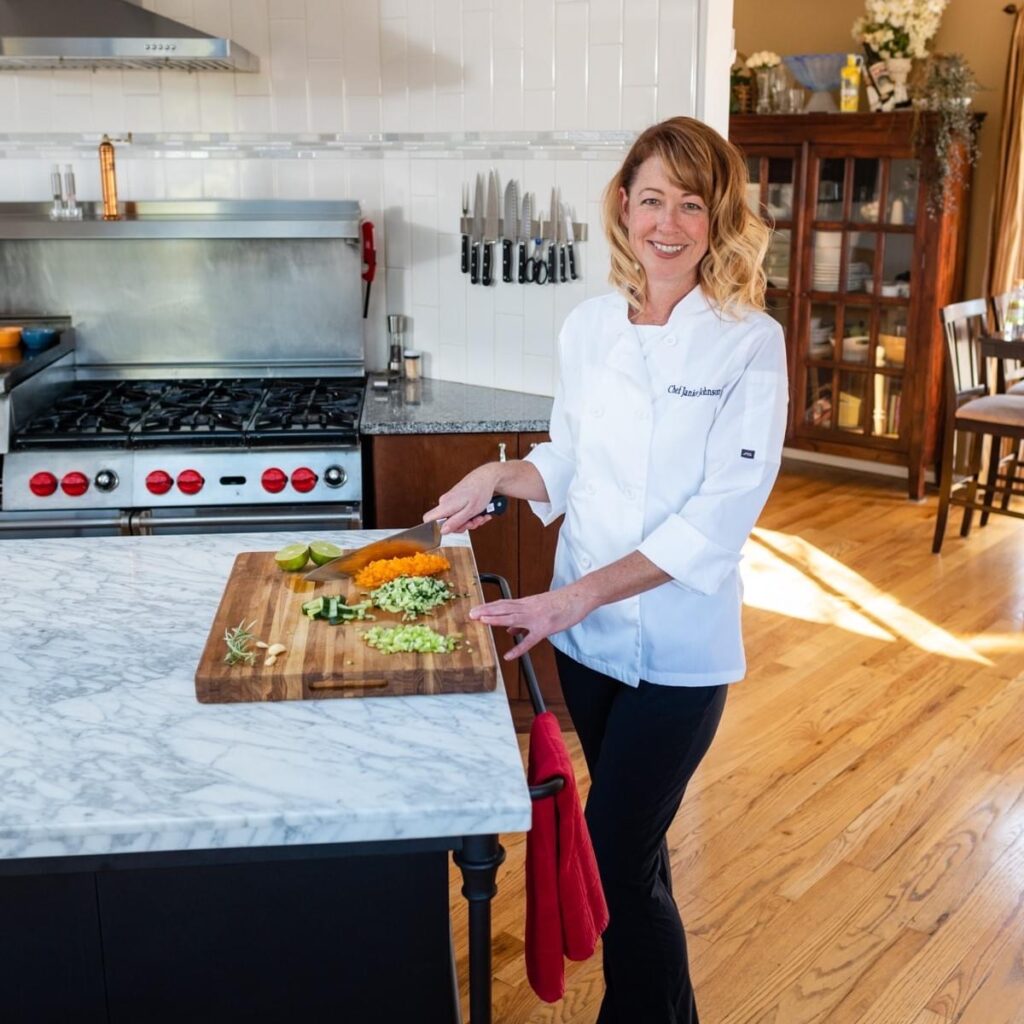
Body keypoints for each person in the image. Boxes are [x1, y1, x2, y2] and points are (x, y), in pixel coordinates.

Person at [423, 116, 789, 1024]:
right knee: (638, 847)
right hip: (584, 645)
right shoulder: (588, 326)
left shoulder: (749, 340)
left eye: (691, 204)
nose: (668, 222)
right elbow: (570, 453)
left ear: (718, 217)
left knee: (612, 853)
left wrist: (572, 594)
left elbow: (720, 515)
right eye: (652, 198)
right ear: (623, 205)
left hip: (678, 653)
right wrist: (503, 472)